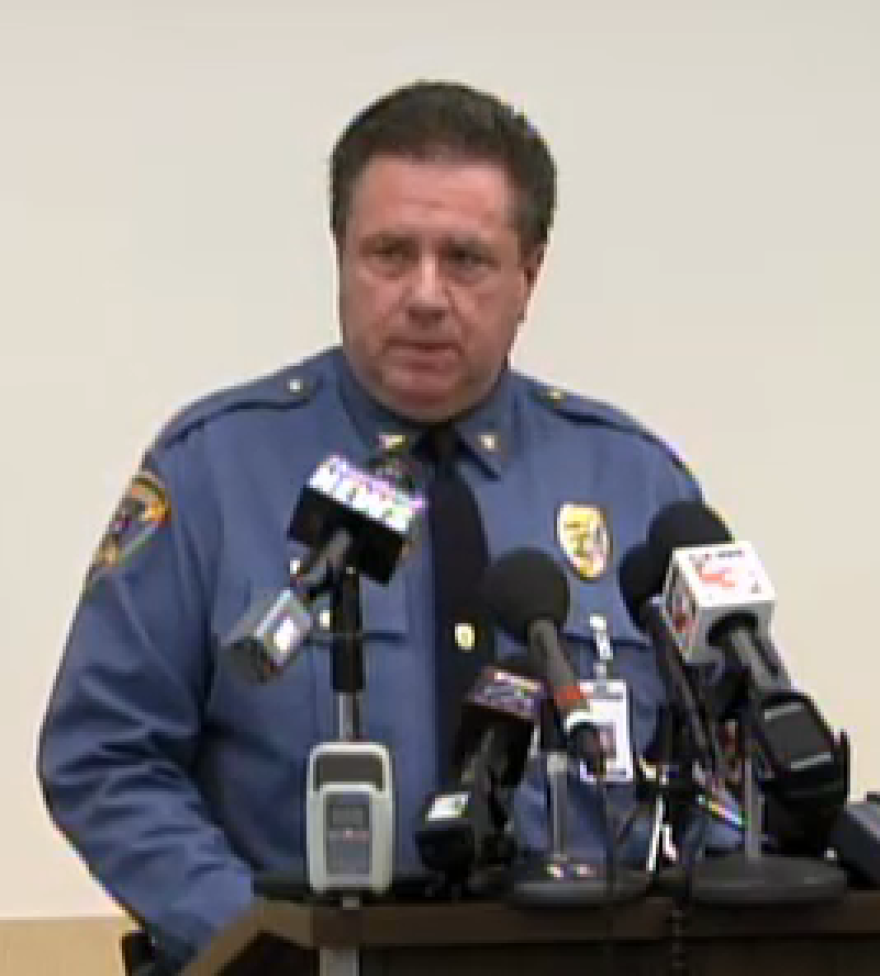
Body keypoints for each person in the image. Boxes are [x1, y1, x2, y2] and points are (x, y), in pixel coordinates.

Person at [38, 80, 704, 972]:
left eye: (465, 259)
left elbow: (724, 758)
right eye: (391, 253)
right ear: (340, 256)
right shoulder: (216, 469)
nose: (425, 294)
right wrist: (259, 939)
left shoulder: (633, 483)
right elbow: (105, 755)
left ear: (530, 275)